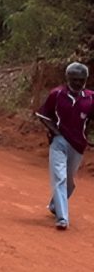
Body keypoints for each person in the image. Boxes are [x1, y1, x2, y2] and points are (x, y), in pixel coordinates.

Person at [36, 62, 94, 230]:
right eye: (74, 79)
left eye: (81, 80)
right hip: (59, 142)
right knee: (59, 178)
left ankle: (55, 206)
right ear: (68, 78)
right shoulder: (57, 94)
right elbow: (43, 115)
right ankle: (62, 219)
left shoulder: (90, 98)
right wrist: (57, 133)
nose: (77, 83)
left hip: (78, 145)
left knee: (68, 182)